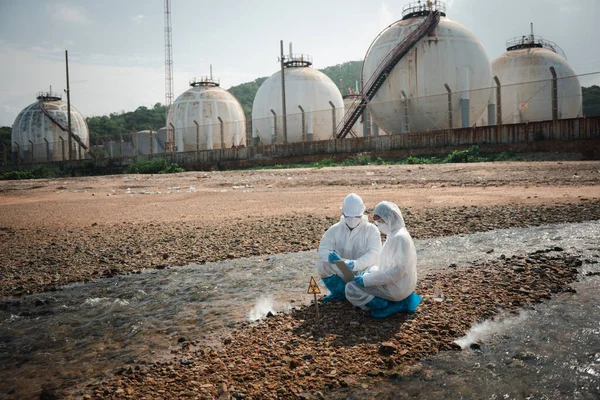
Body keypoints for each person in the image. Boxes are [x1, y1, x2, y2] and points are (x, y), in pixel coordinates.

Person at [345, 201, 422, 318]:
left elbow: (397, 271)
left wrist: (367, 280)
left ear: (389, 218)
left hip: (398, 288)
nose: (378, 224)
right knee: (366, 271)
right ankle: (395, 301)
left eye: (380, 221)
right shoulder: (395, 234)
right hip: (401, 284)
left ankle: (387, 305)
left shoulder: (399, 238)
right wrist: (370, 273)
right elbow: (388, 266)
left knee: (351, 288)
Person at [316, 193, 382, 302]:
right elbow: (323, 249)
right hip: (343, 270)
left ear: (362, 213)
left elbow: (374, 254)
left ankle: (363, 295)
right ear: (343, 213)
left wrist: (356, 264)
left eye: (356, 216)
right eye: (349, 216)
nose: (352, 220)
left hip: (362, 272)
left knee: (375, 271)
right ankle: (339, 293)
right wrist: (329, 257)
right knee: (322, 264)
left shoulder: (371, 230)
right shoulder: (335, 229)